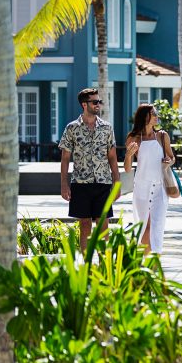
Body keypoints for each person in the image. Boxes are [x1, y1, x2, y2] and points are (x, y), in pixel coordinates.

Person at [59, 88, 120, 252]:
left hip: (103, 182)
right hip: (80, 183)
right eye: (95, 102)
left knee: (103, 223)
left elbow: (112, 157)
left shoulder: (107, 128)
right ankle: (86, 263)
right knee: (84, 224)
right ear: (84, 105)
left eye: (99, 101)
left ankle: (103, 263)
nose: (98, 104)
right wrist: (64, 185)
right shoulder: (72, 128)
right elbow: (65, 158)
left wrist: (117, 182)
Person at [124, 103, 174, 254]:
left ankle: (152, 263)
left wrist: (168, 162)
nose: (156, 116)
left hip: (160, 187)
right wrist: (128, 155)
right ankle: (141, 264)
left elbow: (171, 158)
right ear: (145, 116)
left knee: (157, 226)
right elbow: (127, 169)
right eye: (153, 113)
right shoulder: (134, 138)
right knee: (145, 225)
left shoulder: (162, 136)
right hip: (142, 188)